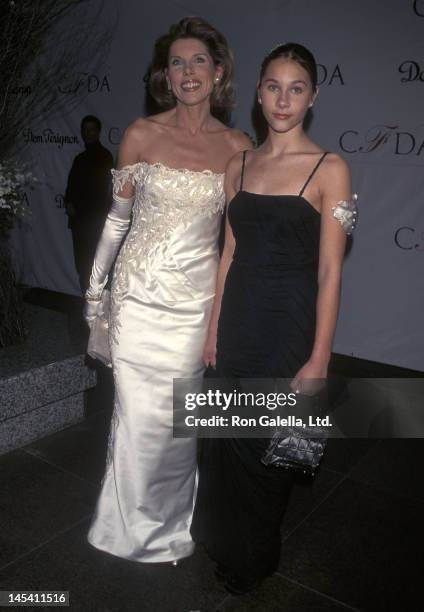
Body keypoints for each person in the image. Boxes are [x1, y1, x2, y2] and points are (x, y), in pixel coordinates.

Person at [83, 17, 251, 564]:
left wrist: (220, 316)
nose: (187, 72)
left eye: (198, 60)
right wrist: (95, 297)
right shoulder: (141, 133)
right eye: (177, 62)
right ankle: (119, 527)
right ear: (165, 75)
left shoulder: (238, 147)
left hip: (192, 306)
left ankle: (171, 527)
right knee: (132, 418)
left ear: (218, 70)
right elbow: (116, 222)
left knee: (179, 425)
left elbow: (233, 242)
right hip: (135, 298)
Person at [191, 43, 357, 593]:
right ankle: (223, 542)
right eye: (272, 86)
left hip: (286, 327)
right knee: (221, 447)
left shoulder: (330, 168)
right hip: (236, 321)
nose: (282, 99)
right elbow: (228, 253)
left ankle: (253, 558)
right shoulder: (238, 162)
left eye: (296, 88)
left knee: (266, 455)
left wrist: (319, 360)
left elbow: (331, 271)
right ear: (258, 91)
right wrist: (213, 328)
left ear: (313, 96)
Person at [65, 115, 113, 293]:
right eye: (85, 130)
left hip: (95, 223)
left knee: (96, 268)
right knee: (83, 267)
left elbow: (100, 191)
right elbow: (71, 187)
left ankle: (97, 310)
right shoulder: (79, 159)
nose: (88, 133)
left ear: (99, 132)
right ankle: (87, 308)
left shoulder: (105, 157)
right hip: (79, 223)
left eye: (92, 129)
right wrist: (69, 202)